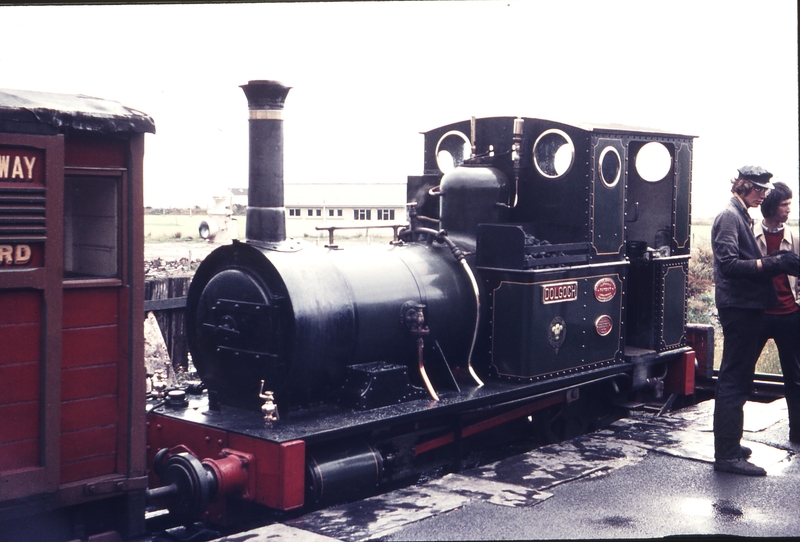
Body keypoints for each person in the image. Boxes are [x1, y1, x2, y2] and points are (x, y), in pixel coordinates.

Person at [711, 166, 800, 476]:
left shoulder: (740, 215)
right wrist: (772, 263)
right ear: (744, 186)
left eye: (766, 189)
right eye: (760, 188)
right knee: (734, 381)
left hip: (745, 307)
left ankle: (730, 445)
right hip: (738, 307)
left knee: (737, 379)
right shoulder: (729, 217)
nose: (764, 194)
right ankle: (726, 455)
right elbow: (728, 264)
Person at [754, 181, 800, 445]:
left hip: (789, 315)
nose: (788, 210)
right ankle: (733, 438)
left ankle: (798, 433)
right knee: (742, 373)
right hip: (759, 314)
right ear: (771, 206)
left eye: (789, 205)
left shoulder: (794, 238)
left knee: (795, 377)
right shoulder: (750, 234)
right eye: (784, 204)